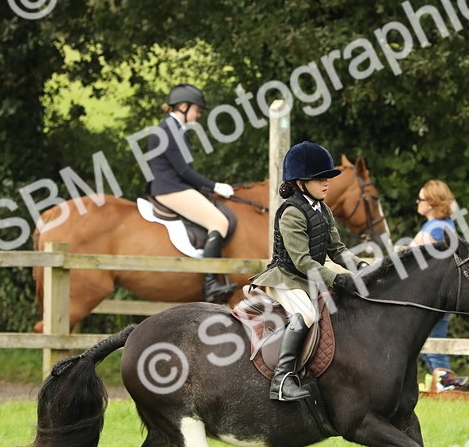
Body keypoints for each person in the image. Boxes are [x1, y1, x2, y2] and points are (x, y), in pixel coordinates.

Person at [251, 141, 363, 401]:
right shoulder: (291, 212)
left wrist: (361, 266)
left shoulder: (322, 209)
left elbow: (337, 249)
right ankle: (282, 380)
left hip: (307, 279)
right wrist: (337, 278)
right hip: (286, 278)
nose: (326, 183)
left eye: (327, 177)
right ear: (300, 182)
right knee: (306, 314)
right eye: (319, 178)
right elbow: (302, 261)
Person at [145, 84, 237, 303]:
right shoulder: (169, 130)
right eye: (197, 109)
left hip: (173, 186)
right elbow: (184, 171)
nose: (199, 115)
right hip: (171, 188)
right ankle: (211, 284)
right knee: (219, 222)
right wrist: (214, 186)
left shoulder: (172, 128)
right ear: (183, 107)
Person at [411, 179, 469, 391]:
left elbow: (416, 258)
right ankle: (445, 383)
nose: (417, 202)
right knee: (430, 345)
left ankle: (448, 385)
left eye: (421, 198)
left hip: (431, 297)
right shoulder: (441, 226)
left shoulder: (436, 228)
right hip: (438, 295)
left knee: (432, 346)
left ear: (433, 202)